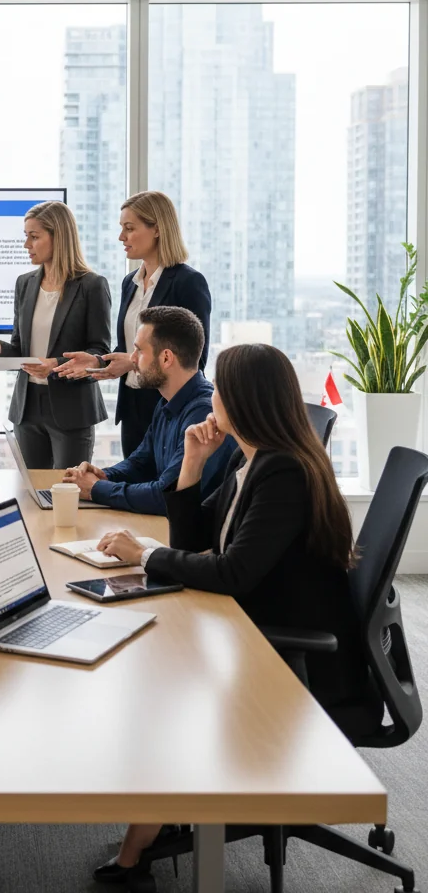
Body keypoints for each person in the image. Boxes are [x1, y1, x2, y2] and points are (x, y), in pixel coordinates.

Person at [90, 343, 376, 884]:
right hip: (251, 631)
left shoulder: (283, 472)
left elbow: (232, 573)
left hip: (295, 665)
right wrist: (193, 464)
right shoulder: (254, 460)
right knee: (153, 660)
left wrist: (145, 554)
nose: (211, 398)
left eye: (220, 389)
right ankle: (160, 816)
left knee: (160, 691)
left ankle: (138, 850)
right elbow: (198, 542)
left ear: (242, 401)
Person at [57, 191, 211, 459]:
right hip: (132, 408)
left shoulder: (188, 283)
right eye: (121, 229)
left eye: (129, 229)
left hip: (169, 408)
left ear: (158, 230)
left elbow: (194, 357)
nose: (121, 237)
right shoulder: (130, 283)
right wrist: (98, 361)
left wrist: (131, 362)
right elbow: (131, 346)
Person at [0, 201, 111, 467]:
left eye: (34, 237)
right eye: (26, 236)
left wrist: (56, 365)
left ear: (58, 236)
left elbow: (100, 354)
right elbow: (20, 349)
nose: (27, 245)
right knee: (31, 493)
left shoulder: (91, 286)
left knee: (67, 492)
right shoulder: (25, 284)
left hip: (72, 408)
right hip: (27, 408)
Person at [61, 306, 234, 514]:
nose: (132, 359)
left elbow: (166, 496)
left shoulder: (203, 414)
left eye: (139, 350)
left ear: (166, 358)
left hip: (196, 539)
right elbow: (141, 463)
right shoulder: (166, 401)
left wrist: (96, 488)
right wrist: (103, 476)